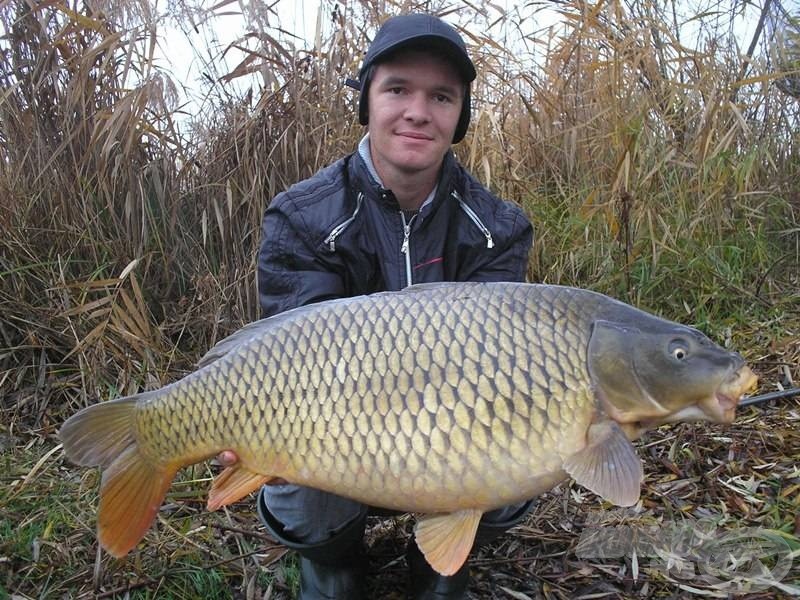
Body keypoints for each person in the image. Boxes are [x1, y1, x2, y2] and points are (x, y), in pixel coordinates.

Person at [219, 13, 535, 599]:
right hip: (337, 424)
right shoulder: (302, 216)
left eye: (441, 96)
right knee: (296, 478)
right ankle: (334, 562)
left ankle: (441, 563)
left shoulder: (498, 229)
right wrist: (253, 424)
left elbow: (498, 374)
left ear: (459, 116)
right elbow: (295, 359)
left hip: (450, 425)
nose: (418, 111)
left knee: (527, 440)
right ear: (366, 100)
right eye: (397, 89)